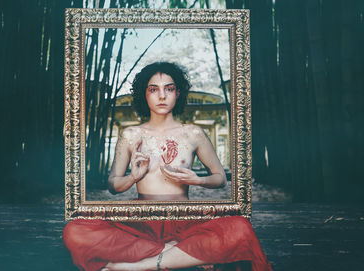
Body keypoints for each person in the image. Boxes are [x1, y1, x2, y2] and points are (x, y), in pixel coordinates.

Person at [63, 62, 272, 271]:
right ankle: (178, 252)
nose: (162, 96)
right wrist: (133, 177)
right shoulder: (130, 135)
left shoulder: (193, 133)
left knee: (240, 227)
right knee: (75, 230)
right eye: (154, 89)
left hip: (186, 218)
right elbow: (113, 185)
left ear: (178, 93)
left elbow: (220, 178)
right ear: (143, 94)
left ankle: (137, 265)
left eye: (169, 89)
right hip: (140, 219)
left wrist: (197, 180)